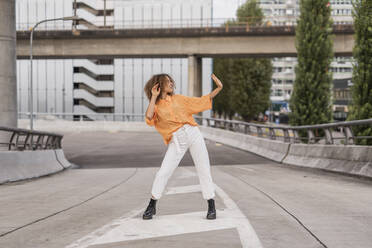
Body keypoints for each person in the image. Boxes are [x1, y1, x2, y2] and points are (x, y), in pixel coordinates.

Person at [142, 73, 223, 220]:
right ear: (159, 85)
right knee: (163, 172)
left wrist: (219, 88)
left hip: (193, 133)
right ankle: (151, 206)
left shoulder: (179, 99)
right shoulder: (157, 106)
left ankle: (211, 206)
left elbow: (201, 101)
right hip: (177, 140)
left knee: (204, 169)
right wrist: (154, 96)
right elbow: (149, 117)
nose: (171, 83)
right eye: (167, 81)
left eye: (171, 80)